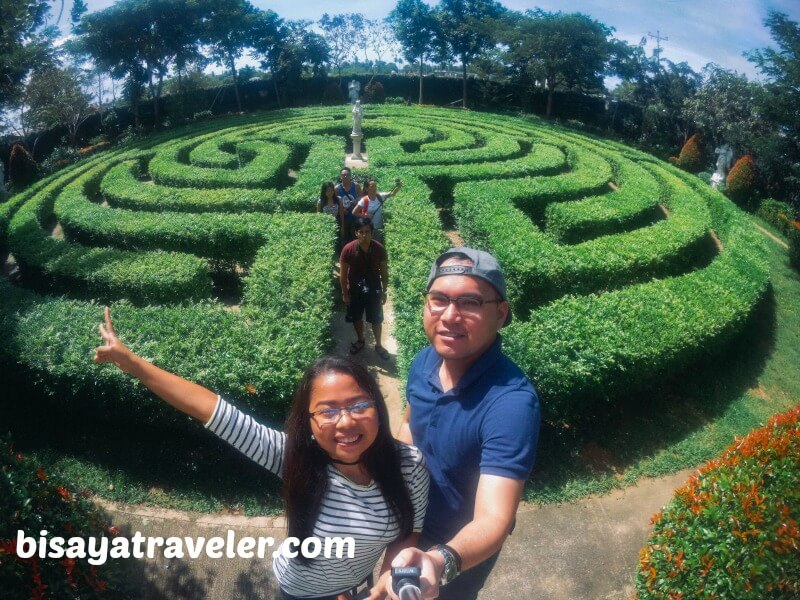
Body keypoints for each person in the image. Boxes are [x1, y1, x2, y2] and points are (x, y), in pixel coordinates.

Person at [93, 308, 428, 600]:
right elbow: (212, 410)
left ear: (377, 406)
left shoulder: (410, 465)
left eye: (358, 405)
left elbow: (408, 531)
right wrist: (133, 364)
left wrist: (387, 581)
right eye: (327, 411)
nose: (346, 421)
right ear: (308, 422)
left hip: (362, 586)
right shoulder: (296, 457)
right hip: (299, 590)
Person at [389, 247, 541, 600]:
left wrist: (440, 561)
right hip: (409, 524)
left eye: (470, 303)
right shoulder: (426, 360)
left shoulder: (511, 404)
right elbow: (411, 424)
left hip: (459, 549)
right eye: (438, 299)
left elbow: (494, 519)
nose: (450, 316)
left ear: (501, 314)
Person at [339, 218, 389, 360]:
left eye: (367, 232)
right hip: (355, 290)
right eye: (361, 232)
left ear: (372, 233)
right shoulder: (348, 250)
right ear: (356, 233)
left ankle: (378, 344)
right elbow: (343, 275)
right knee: (356, 317)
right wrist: (345, 293)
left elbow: (384, 273)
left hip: (374, 290)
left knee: (376, 319)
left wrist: (384, 291)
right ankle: (361, 340)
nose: (364, 235)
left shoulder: (379, 249)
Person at [335, 167, 361, 243]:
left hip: (355, 218)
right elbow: (335, 202)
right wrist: (342, 209)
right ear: (340, 176)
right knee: (344, 239)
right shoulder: (337, 188)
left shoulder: (356, 186)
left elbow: (361, 197)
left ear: (350, 176)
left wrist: (356, 201)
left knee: (356, 238)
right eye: (343, 175)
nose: (345, 176)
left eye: (347, 175)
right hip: (343, 219)